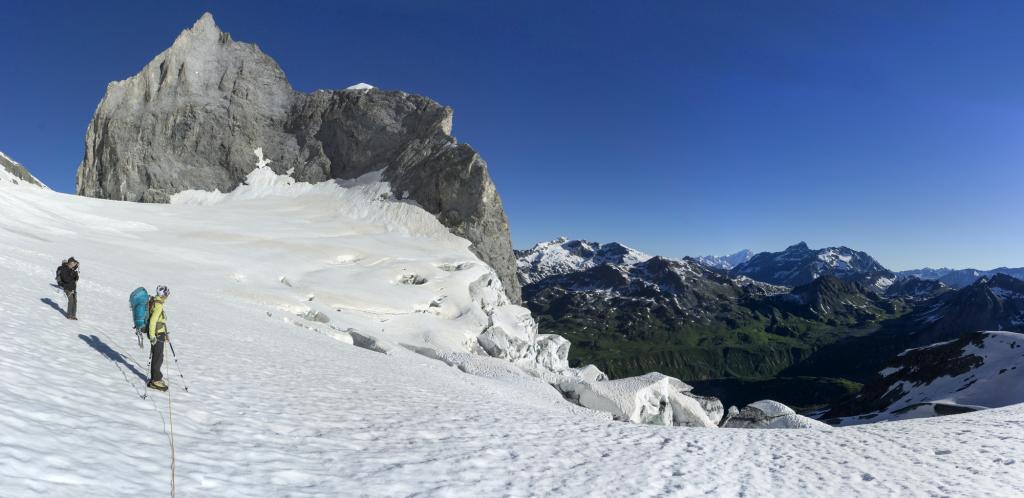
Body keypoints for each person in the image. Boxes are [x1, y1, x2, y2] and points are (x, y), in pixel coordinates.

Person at [147, 285, 171, 391]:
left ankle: (155, 378)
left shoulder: (155, 301)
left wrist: (164, 333)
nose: (167, 296)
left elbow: (159, 320)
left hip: (159, 333)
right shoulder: (158, 305)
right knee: (158, 358)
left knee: (157, 356)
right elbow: (153, 321)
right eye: (166, 294)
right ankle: (155, 381)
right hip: (157, 335)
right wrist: (152, 336)